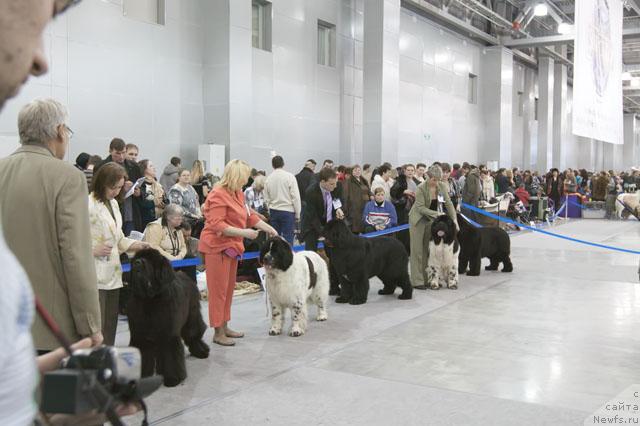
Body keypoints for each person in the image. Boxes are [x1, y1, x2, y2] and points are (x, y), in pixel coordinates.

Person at [0, 98, 103, 352]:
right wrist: (91, 326)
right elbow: (75, 256)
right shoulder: (67, 177)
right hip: (50, 329)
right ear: (59, 131)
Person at [199, 159, 277, 346]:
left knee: (228, 290)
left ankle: (225, 326)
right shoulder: (218, 194)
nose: (247, 180)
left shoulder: (238, 193)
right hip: (216, 247)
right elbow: (217, 224)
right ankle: (218, 332)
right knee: (218, 291)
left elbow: (249, 217)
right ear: (236, 176)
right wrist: (244, 233)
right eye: (244, 177)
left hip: (232, 247)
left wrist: (269, 229)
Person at [89, 163, 148, 346]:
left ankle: (107, 359)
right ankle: (95, 365)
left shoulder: (114, 204)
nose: (116, 192)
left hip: (113, 274)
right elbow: (73, 241)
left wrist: (137, 245)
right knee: (96, 326)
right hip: (94, 275)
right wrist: (92, 251)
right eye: (112, 187)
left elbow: (119, 239)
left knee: (110, 324)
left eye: (119, 188)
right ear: (101, 183)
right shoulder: (87, 205)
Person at [409, 165, 457, 290]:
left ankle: (427, 279)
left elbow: (449, 203)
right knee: (417, 251)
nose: (436, 182)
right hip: (418, 220)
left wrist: (454, 219)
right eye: (434, 179)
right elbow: (420, 208)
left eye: (438, 179)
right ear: (428, 177)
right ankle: (416, 280)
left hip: (430, 220)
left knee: (428, 251)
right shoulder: (420, 188)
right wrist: (437, 214)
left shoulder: (441, 186)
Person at [94, 138, 144, 235]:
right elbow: (98, 190)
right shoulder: (101, 167)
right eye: (117, 153)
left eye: (123, 153)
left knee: (131, 241)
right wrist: (121, 190)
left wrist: (139, 192)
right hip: (109, 209)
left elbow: (143, 187)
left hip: (130, 212)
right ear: (110, 151)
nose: (121, 156)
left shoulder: (134, 166)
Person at [301, 167, 345, 251]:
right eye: (332, 184)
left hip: (330, 221)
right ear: (322, 182)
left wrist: (338, 209)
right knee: (311, 251)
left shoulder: (337, 186)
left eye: (335, 182)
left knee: (335, 249)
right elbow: (313, 216)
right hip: (312, 224)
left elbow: (338, 199)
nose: (335, 186)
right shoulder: (311, 192)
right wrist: (324, 232)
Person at [263, 155, 301, 245]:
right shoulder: (290, 177)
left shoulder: (268, 179)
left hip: (274, 211)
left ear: (272, 165)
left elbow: (266, 199)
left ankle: (276, 258)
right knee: (288, 238)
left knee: (275, 238)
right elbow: (295, 197)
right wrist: (298, 213)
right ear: (283, 164)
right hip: (288, 211)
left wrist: (269, 209)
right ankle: (288, 258)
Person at [342, 164, 371, 233]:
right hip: (354, 208)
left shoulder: (363, 181)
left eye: (359, 170)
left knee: (364, 227)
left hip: (365, 207)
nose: (357, 172)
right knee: (355, 230)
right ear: (352, 172)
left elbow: (368, 191)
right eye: (355, 170)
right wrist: (345, 210)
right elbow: (345, 196)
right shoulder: (348, 182)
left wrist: (371, 195)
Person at [139, 159, 165, 228]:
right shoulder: (141, 184)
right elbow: (143, 203)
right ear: (144, 170)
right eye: (151, 166)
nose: (154, 168)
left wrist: (164, 203)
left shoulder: (157, 184)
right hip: (146, 219)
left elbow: (164, 198)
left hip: (159, 217)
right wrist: (155, 202)